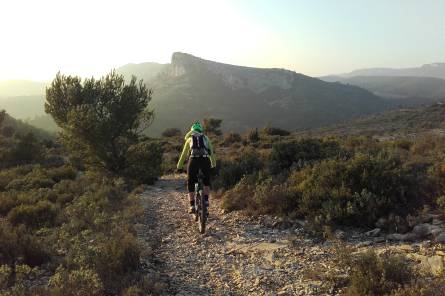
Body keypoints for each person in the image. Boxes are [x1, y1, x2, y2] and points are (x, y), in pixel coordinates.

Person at [176, 122, 216, 214]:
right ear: (201, 130)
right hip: (205, 161)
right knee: (206, 181)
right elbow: (211, 153)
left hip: (193, 161)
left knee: (190, 182)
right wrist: (213, 165)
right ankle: (205, 200)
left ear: (191, 131)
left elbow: (184, 155)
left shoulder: (189, 139)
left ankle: (192, 205)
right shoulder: (206, 138)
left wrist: (179, 167)